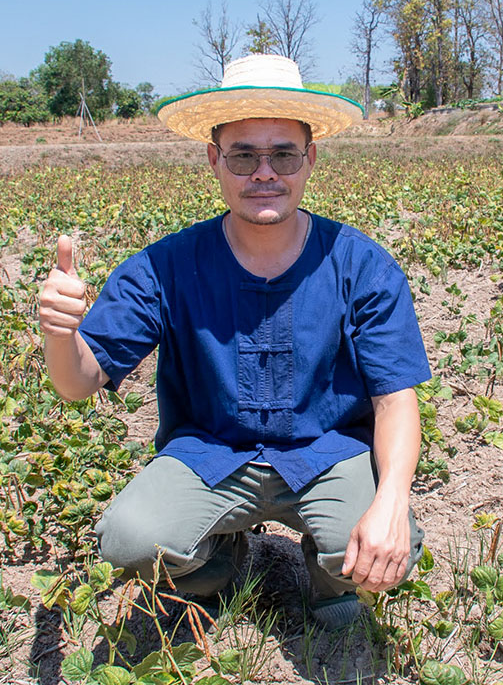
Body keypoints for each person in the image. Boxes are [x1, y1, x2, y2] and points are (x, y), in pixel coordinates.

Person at [38, 54, 430, 629]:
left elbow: (396, 399)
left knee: (383, 539)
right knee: (130, 541)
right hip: (210, 454)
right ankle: (219, 567)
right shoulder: (165, 266)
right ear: (214, 159)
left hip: (328, 454)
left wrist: (392, 502)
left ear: (310, 159)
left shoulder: (361, 265)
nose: (264, 172)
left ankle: (329, 582)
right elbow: (79, 382)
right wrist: (60, 334)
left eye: (283, 154)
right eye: (244, 155)